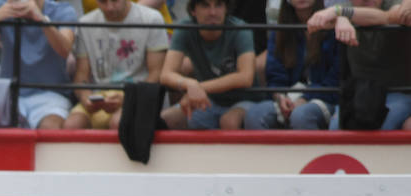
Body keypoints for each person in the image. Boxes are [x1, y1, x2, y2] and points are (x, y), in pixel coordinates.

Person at [0, 0, 76, 128]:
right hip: (10, 94)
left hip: (51, 95)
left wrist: (41, 19)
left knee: (50, 128)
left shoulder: (62, 10)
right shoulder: (4, 5)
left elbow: (65, 50)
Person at [62, 0, 165, 130]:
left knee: (119, 123)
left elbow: (156, 74)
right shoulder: (85, 23)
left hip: (138, 95)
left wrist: (129, 98)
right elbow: (81, 76)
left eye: (115, 1)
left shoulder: (151, 19)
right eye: (103, 2)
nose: (109, 7)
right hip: (100, 96)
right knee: (72, 125)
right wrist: (86, 98)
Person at [309, 0, 411, 129]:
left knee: (383, 127)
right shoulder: (344, 6)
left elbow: (391, 16)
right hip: (359, 92)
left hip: (396, 92)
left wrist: (341, 13)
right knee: (336, 128)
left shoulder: (392, 3)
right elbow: (319, 20)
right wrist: (341, 17)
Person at [159, 0, 256, 129]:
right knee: (165, 119)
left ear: (226, 9)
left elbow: (245, 77)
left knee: (229, 121)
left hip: (246, 100)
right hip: (208, 100)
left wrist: (198, 88)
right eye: (205, 5)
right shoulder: (185, 27)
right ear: (193, 10)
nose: (213, 12)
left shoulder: (240, 29)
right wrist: (190, 84)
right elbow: (166, 74)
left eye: (218, 5)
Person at [243, 0, 338, 129]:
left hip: (325, 98)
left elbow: (335, 80)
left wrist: (304, 98)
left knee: (301, 116)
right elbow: (275, 77)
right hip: (289, 97)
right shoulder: (279, 31)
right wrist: (280, 97)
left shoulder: (334, 27)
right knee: (254, 115)